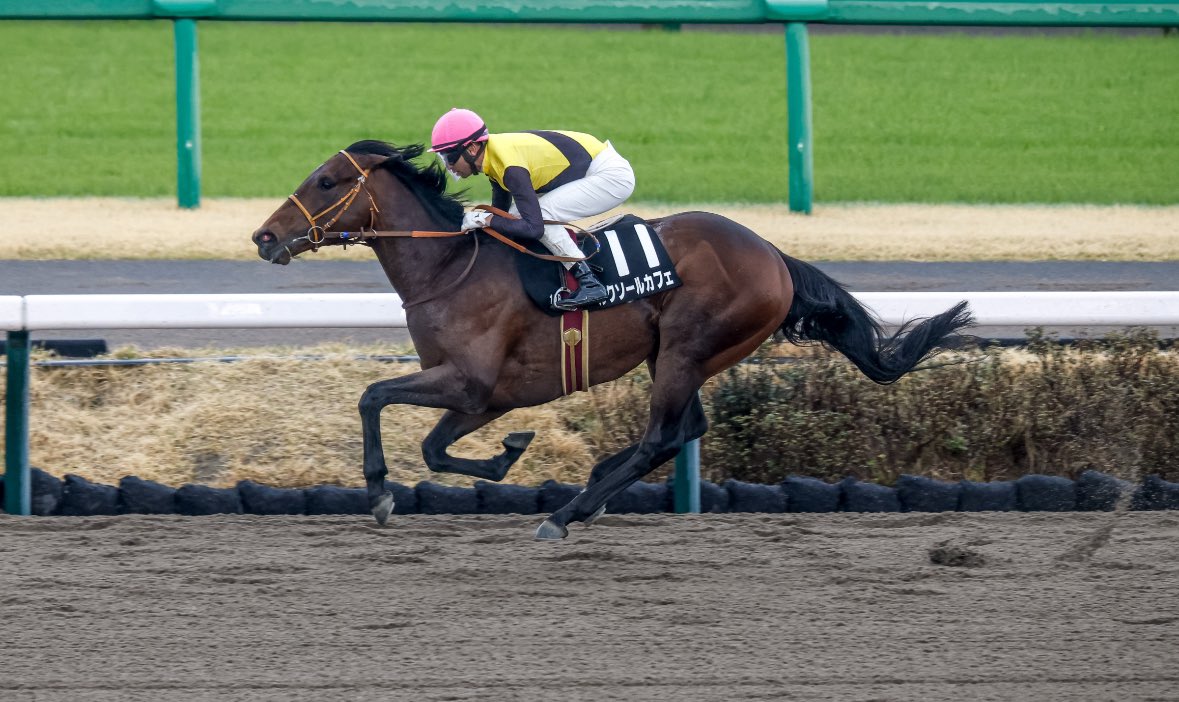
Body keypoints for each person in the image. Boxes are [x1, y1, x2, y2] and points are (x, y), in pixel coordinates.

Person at [428, 108, 636, 310]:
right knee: (515, 216)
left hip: (611, 177)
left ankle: (590, 283)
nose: (448, 166)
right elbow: (501, 214)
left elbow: (533, 228)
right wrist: (480, 225)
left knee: (541, 215)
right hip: (594, 166)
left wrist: (483, 220)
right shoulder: (493, 159)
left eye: (449, 157)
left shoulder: (509, 167)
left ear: (472, 149)